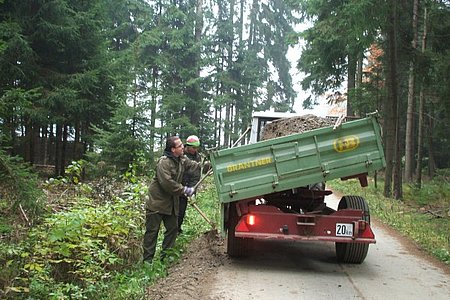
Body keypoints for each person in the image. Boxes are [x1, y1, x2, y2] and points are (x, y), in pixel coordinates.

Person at [143, 136, 203, 263]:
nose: (183, 147)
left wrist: (208, 165)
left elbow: (194, 166)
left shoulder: (181, 159)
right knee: (152, 232)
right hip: (157, 203)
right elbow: (167, 184)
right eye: (180, 146)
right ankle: (147, 262)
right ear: (172, 149)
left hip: (171, 203)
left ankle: (165, 258)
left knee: (173, 229)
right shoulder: (164, 162)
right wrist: (185, 190)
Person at [178, 135, 202, 234]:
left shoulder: (198, 157)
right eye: (193, 147)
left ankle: (178, 229)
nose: (195, 150)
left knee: (182, 211)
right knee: (175, 211)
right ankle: (173, 231)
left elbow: (196, 176)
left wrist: (192, 190)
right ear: (188, 146)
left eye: (197, 148)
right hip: (178, 186)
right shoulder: (181, 154)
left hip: (189, 186)